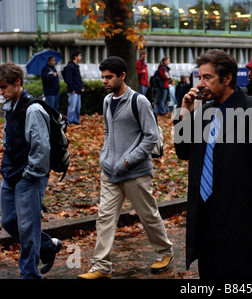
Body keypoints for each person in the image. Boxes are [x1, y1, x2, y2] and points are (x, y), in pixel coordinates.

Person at [174, 49, 252, 279]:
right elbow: (185, 152)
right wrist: (184, 114)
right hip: (207, 215)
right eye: (200, 77)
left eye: (207, 77)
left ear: (227, 78)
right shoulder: (204, 112)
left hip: (242, 217)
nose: (201, 83)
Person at [77, 56, 174, 279]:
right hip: (110, 172)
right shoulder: (107, 101)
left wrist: (128, 161)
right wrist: (106, 156)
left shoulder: (139, 101)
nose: (104, 81)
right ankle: (101, 266)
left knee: (148, 215)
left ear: (122, 75)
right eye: (102, 77)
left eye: (109, 77)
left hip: (135, 172)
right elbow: (108, 132)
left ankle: (165, 252)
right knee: (104, 217)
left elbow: (150, 137)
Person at [0, 62, 62, 279]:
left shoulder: (33, 109)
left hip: (29, 175)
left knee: (27, 227)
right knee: (8, 220)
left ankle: (29, 274)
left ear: (18, 82)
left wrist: (29, 174)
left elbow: (41, 147)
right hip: (9, 172)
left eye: (4, 86)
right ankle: (46, 245)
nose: (1, 91)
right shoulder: (9, 105)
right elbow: (9, 133)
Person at [65, 50, 84, 125]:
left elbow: (78, 78)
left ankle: (76, 121)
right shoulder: (70, 66)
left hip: (78, 89)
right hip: (73, 90)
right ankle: (69, 121)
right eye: (79, 55)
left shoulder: (76, 66)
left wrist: (81, 86)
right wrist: (71, 89)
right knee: (72, 107)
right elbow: (68, 79)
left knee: (78, 107)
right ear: (75, 57)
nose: (80, 57)